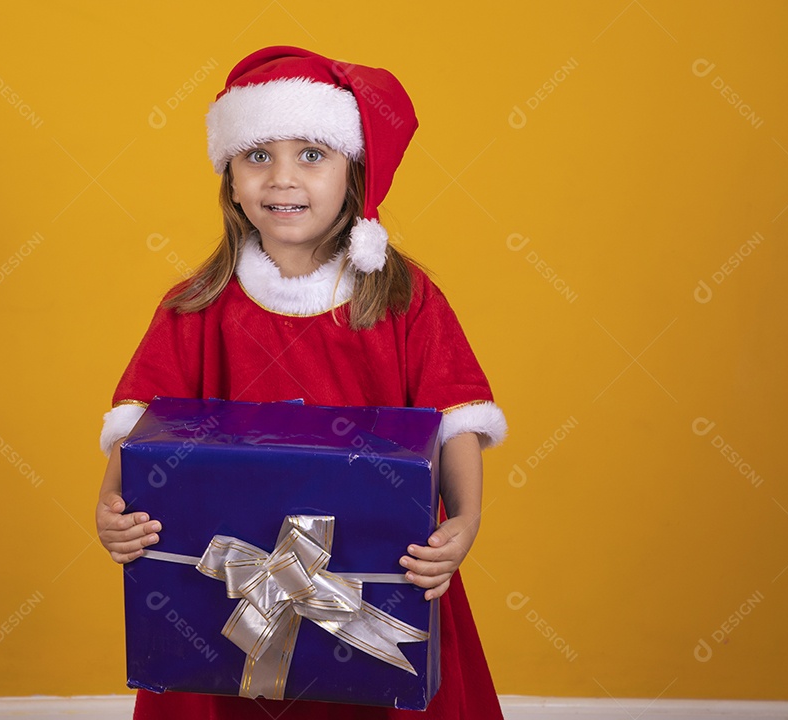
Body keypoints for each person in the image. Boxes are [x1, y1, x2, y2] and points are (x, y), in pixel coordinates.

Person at [96, 45, 508, 720]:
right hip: (225, 592)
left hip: (380, 576)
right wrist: (112, 508)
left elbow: (455, 414)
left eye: (312, 155)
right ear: (230, 178)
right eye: (258, 155)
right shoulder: (195, 306)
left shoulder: (404, 298)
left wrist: (463, 525)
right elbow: (139, 426)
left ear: (354, 174)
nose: (281, 178)